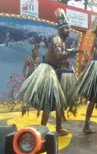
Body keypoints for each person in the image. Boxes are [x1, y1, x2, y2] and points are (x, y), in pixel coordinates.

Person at [15, 8, 78, 136]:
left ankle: (58, 128)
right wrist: (71, 53)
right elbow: (59, 55)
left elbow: (60, 59)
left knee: (60, 101)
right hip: (48, 72)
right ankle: (42, 129)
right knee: (49, 102)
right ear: (60, 29)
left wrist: (66, 62)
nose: (68, 30)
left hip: (55, 72)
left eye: (69, 28)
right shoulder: (56, 39)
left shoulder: (63, 43)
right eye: (66, 28)